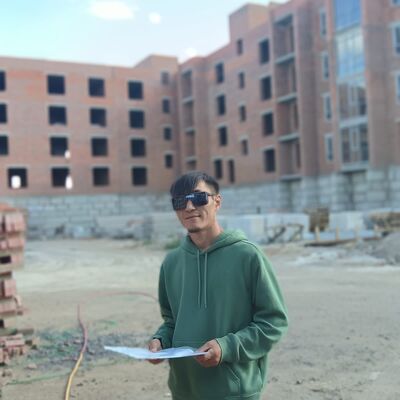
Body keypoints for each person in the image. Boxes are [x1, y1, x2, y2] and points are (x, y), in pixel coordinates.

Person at [148, 171, 288, 400]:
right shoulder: (171, 262)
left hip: (234, 391)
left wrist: (227, 347)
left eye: (199, 197)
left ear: (217, 201)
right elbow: (172, 321)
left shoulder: (248, 256)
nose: (189, 206)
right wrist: (160, 341)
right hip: (184, 390)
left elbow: (273, 322)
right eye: (180, 201)